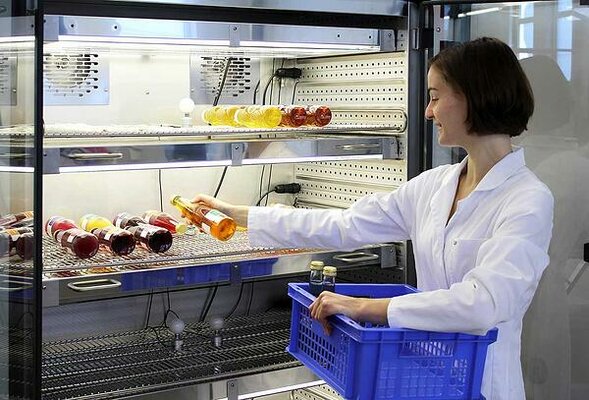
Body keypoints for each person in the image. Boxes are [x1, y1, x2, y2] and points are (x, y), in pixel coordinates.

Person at [192, 37, 554, 400]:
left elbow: (482, 304)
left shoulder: (526, 200)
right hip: (422, 378)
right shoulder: (434, 186)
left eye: (435, 97)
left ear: (473, 97)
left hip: (484, 386)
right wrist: (238, 215)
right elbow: (344, 225)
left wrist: (363, 307)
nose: (428, 112)